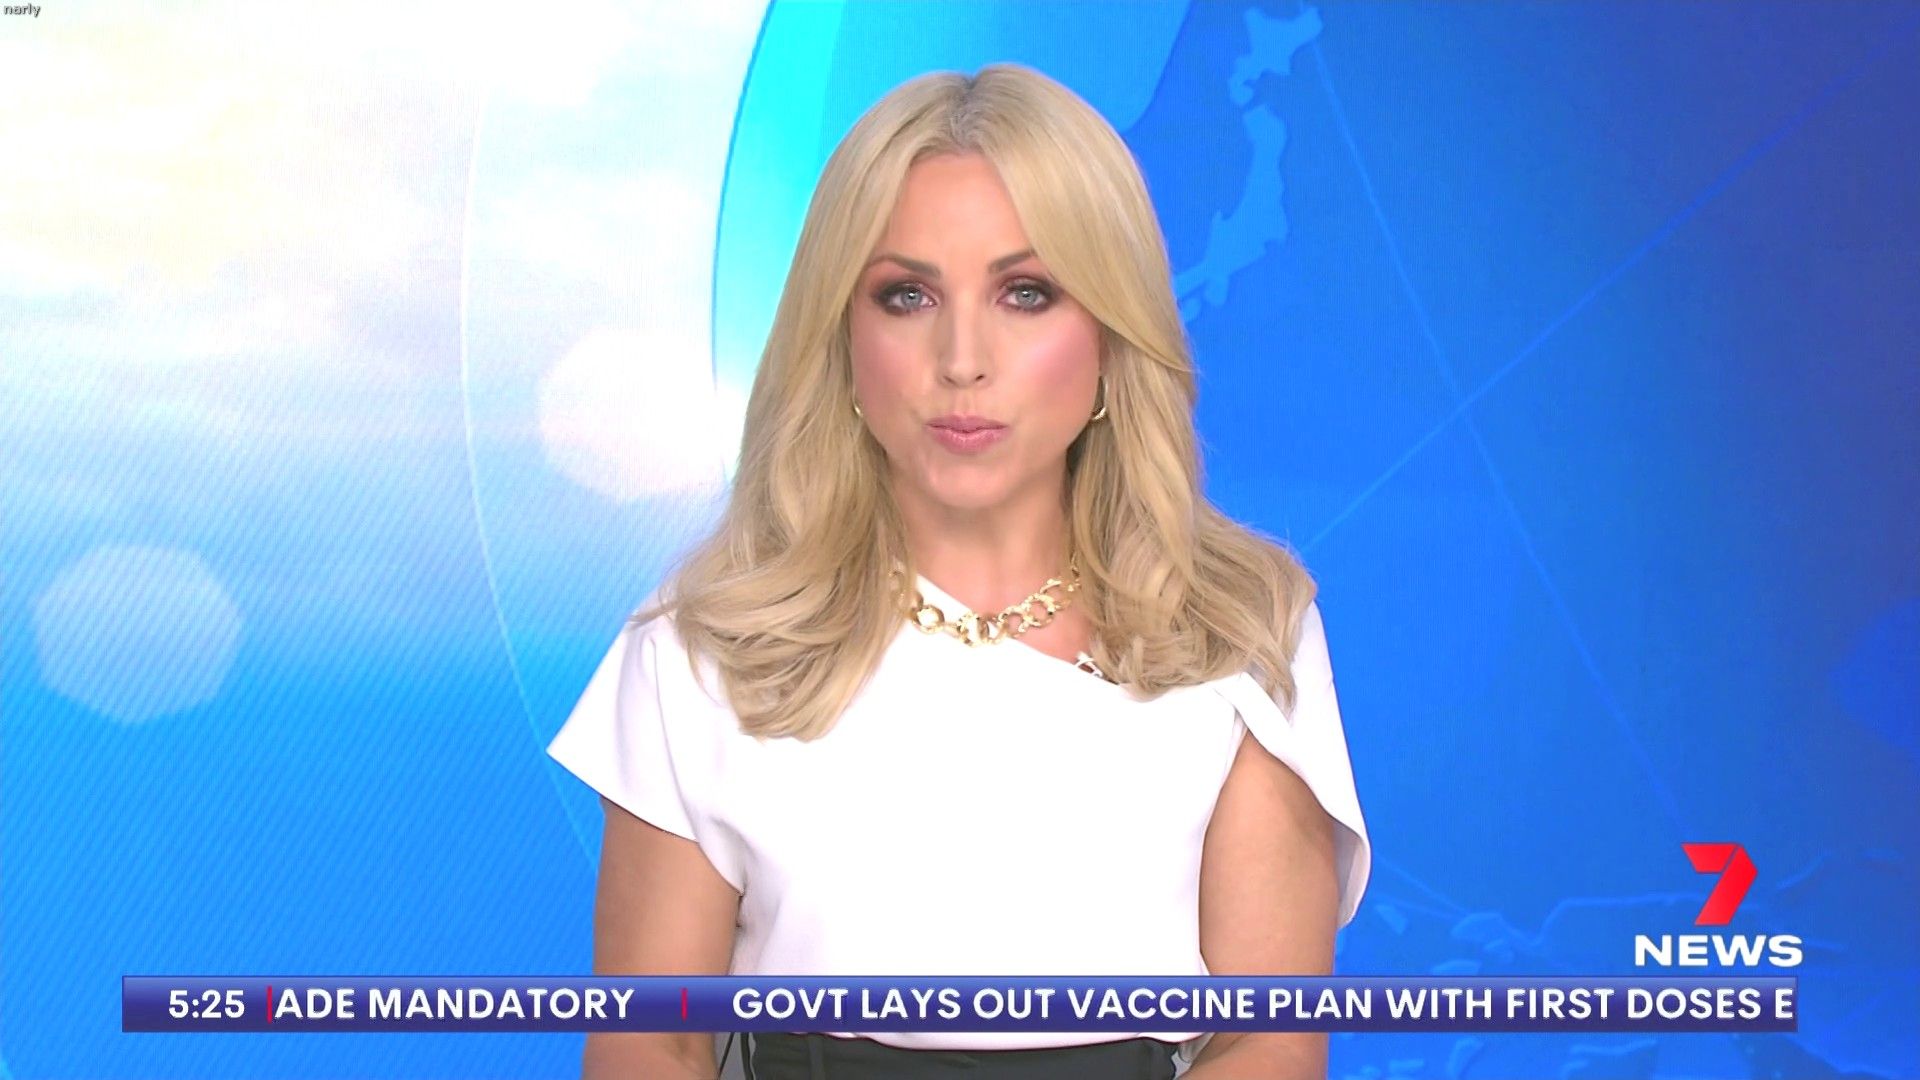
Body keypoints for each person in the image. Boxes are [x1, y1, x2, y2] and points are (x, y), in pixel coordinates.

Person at [546, 62, 1370, 1080]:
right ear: (842, 338)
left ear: (1110, 339)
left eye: (1027, 293)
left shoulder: (1240, 631)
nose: (962, 358)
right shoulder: (706, 646)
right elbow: (651, 1042)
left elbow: (1269, 1040)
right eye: (907, 295)